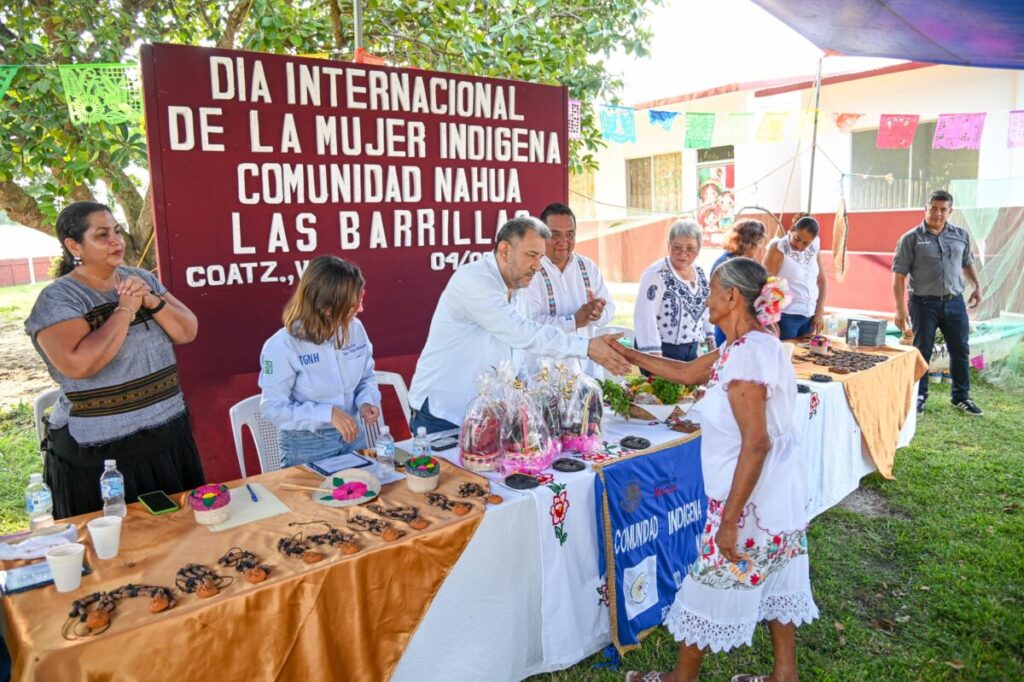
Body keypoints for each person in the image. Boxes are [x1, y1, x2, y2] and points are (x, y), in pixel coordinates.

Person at [617, 258, 818, 682]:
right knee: (778, 576)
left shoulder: (746, 357)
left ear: (731, 297)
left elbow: (756, 443)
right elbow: (687, 372)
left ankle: (681, 679)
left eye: (711, 291)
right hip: (776, 496)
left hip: (746, 502)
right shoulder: (751, 344)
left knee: (709, 585)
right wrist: (623, 352)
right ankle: (785, 675)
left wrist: (729, 521)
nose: (706, 299)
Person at [24, 201, 205, 519]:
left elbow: (187, 330)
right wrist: (124, 309)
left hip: (168, 437)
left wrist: (151, 300)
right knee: (117, 543)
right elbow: (78, 365)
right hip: (102, 456)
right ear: (74, 246)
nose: (115, 241)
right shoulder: (60, 299)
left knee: (181, 533)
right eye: (102, 235)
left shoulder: (139, 279)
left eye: (117, 232)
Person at [408, 216, 631, 434]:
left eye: (540, 257)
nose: (537, 266)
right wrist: (586, 347)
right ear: (505, 250)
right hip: (443, 413)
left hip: (489, 415)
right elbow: (521, 333)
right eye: (531, 255)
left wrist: (532, 397)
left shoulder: (518, 287)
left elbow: (518, 352)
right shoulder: (475, 280)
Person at [258, 255, 381, 467]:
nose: (360, 309)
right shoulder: (282, 345)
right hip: (307, 446)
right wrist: (327, 414)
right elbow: (273, 408)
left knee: (366, 486)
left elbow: (366, 377)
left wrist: (366, 402)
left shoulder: (356, 329)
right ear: (327, 308)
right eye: (353, 304)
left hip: (354, 435)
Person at [892, 189, 983, 416]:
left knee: (960, 350)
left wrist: (976, 285)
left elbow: (967, 262)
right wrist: (900, 309)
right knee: (922, 350)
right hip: (923, 305)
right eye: (933, 208)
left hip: (954, 303)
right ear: (926, 208)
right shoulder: (910, 238)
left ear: (950, 211)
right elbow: (899, 276)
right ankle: (919, 396)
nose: (938, 213)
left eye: (943, 209)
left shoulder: (961, 235)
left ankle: (961, 397)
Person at [526, 203, 616, 378]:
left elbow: (610, 308)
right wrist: (574, 321)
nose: (563, 242)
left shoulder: (588, 266)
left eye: (570, 235)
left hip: (588, 372)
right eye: (555, 235)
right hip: (546, 376)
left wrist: (597, 313)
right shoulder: (531, 270)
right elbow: (529, 324)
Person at [634, 220, 715, 363]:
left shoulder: (700, 272)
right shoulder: (656, 274)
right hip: (662, 350)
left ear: (698, 249)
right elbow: (645, 316)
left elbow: (706, 309)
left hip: (692, 350)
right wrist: (655, 358)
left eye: (690, 248)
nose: (683, 253)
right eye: (677, 247)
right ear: (669, 245)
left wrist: (711, 341)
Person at [765, 215, 827, 340]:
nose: (799, 245)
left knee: (807, 352)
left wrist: (819, 311)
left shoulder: (814, 247)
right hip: (786, 317)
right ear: (792, 229)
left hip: (810, 317)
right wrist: (771, 319)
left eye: (806, 243)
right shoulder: (778, 248)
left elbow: (821, 281)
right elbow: (765, 284)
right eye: (797, 239)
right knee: (787, 351)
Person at [710, 220, 767, 347]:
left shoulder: (749, 260)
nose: (759, 247)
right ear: (747, 243)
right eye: (758, 243)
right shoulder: (725, 264)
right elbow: (722, 298)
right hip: (729, 324)